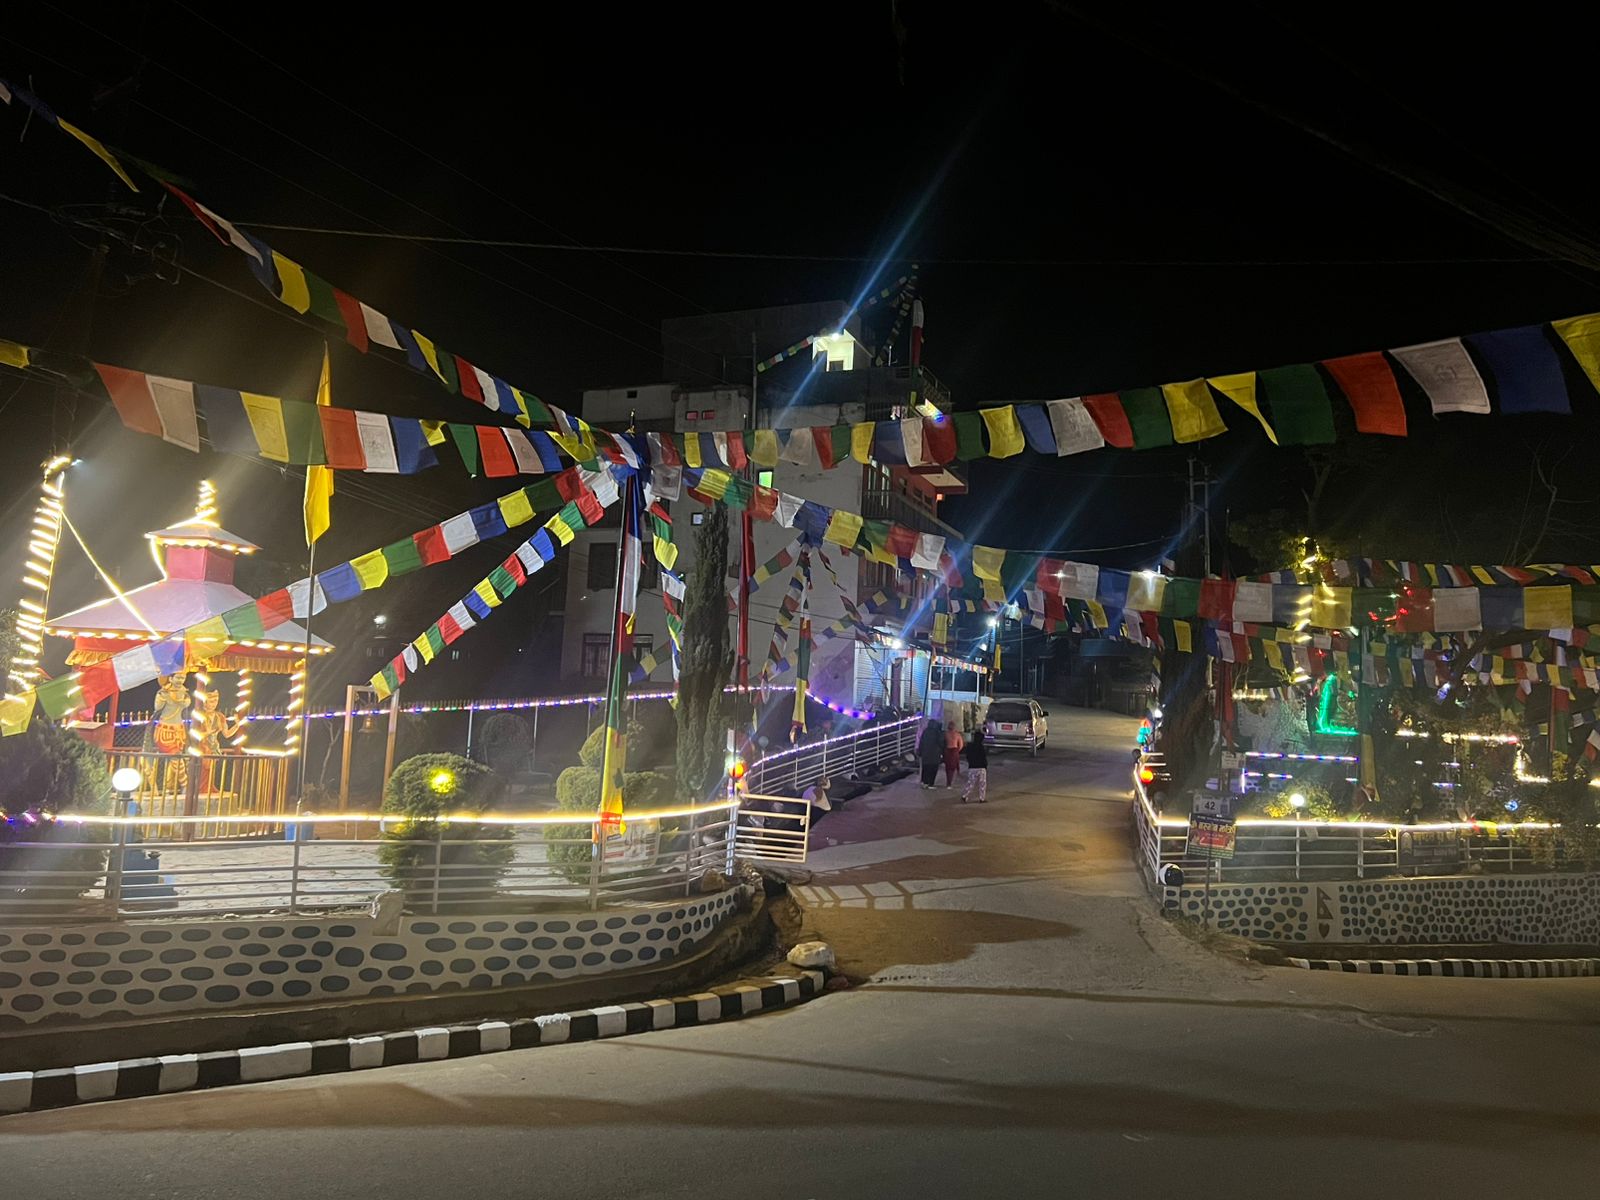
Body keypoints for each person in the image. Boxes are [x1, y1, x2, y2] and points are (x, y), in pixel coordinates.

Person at [962, 727, 990, 804]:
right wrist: (985, 765)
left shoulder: (970, 746)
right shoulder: (981, 747)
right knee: (982, 783)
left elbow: (968, 756)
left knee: (970, 782)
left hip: (972, 767)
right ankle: (982, 798)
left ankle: (965, 795)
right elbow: (983, 757)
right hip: (981, 767)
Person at [917, 719, 944, 789]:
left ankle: (924, 782)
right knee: (933, 769)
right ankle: (930, 783)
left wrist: (920, 751)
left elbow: (921, 742)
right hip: (935, 755)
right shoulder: (937, 732)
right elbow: (941, 743)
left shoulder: (925, 731)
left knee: (925, 768)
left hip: (925, 754)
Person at [942, 720, 965, 789]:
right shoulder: (957, 734)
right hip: (954, 750)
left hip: (947, 750)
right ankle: (949, 783)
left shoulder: (946, 734)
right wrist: (957, 750)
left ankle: (948, 782)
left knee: (948, 767)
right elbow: (961, 745)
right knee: (952, 767)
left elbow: (943, 743)